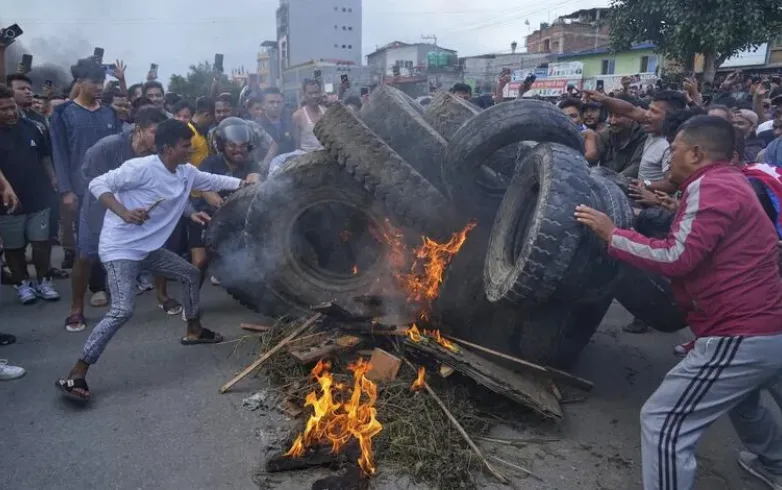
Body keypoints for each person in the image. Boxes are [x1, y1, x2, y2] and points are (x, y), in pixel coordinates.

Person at [575, 115, 782, 490]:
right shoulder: (730, 181)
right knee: (744, 399)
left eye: (675, 152)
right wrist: (672, 209)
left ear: (698, 153)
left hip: (739, 332)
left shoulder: (710, 186)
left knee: (664, 420)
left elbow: (676, 258)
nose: (670, 160)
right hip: (767, 328)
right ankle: (774, 464)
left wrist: (612, 235)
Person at [55, 119, 250, 403]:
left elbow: (213, 181)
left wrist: (244, 182)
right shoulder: (141, 168)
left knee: (190, 274)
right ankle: (77, 372)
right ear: (167, 148)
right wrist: (123, 212)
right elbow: (98, 183)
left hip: (149, 249)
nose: (190, 151)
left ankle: (194, 330)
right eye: (185, 147)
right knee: (122, 310)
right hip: (121, 249)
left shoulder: (184, 171)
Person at [63, 107, 168, 333]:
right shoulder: (107, 147)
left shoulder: (159, 153)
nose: (159, 139)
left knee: (158, 247)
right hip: (99, 209)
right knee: (86, 257)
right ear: (138, 130)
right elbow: (92, 183)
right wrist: (121, 210)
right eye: (154, 133)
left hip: (139, 210)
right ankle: (76, 307)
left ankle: (162, 296)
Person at [50, 58, 121, 329]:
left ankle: (110, 294)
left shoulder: (109, 114)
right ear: (79, 83)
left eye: (102, 82)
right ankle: (77, 306)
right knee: (85, 252)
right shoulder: (63, 114)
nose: (99, 87)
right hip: (82, 192)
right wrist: (66, 190)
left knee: (112, 244)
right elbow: (59, 153)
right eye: (94, 82)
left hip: (111, 190)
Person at [0, 84, 60, 303]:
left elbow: (45, 156)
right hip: (8, 204)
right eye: (2, 109)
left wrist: (53, 179)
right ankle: (22, 284)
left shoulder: (33, 127)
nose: (9, 113)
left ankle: (44, 281)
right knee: (14, 247)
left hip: (39, 196)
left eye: (11, 107)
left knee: (41, 242)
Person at [189, 118, 261, 284]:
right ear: (222, 145)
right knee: (199, 262)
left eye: (243, 146)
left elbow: (254, 180)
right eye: (232, 145)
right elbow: (207, 192)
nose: (239, 150)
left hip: (239, 217)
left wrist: (253, 183)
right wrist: (225, 204)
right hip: (207, 216)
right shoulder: (209, 163)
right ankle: (190, 300)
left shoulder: (251, 163)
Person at [597, 94, 647, 177]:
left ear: (632, 116)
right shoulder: (603, 135)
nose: (613, 121)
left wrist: (612, 182)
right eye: (610, 115)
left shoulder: (643, 135)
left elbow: (635, 167)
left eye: (618, 116)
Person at [256, 87, 295, 155]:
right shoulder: (257, 126)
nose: (276, 105)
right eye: (271, 102)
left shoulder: (290, 123)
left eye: (279, 102)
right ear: (263, 105)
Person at [188, 96, 214, 167]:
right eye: (212, 118)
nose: (212, 122)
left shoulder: (202, 130)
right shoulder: (189, 133)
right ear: (207, 115)